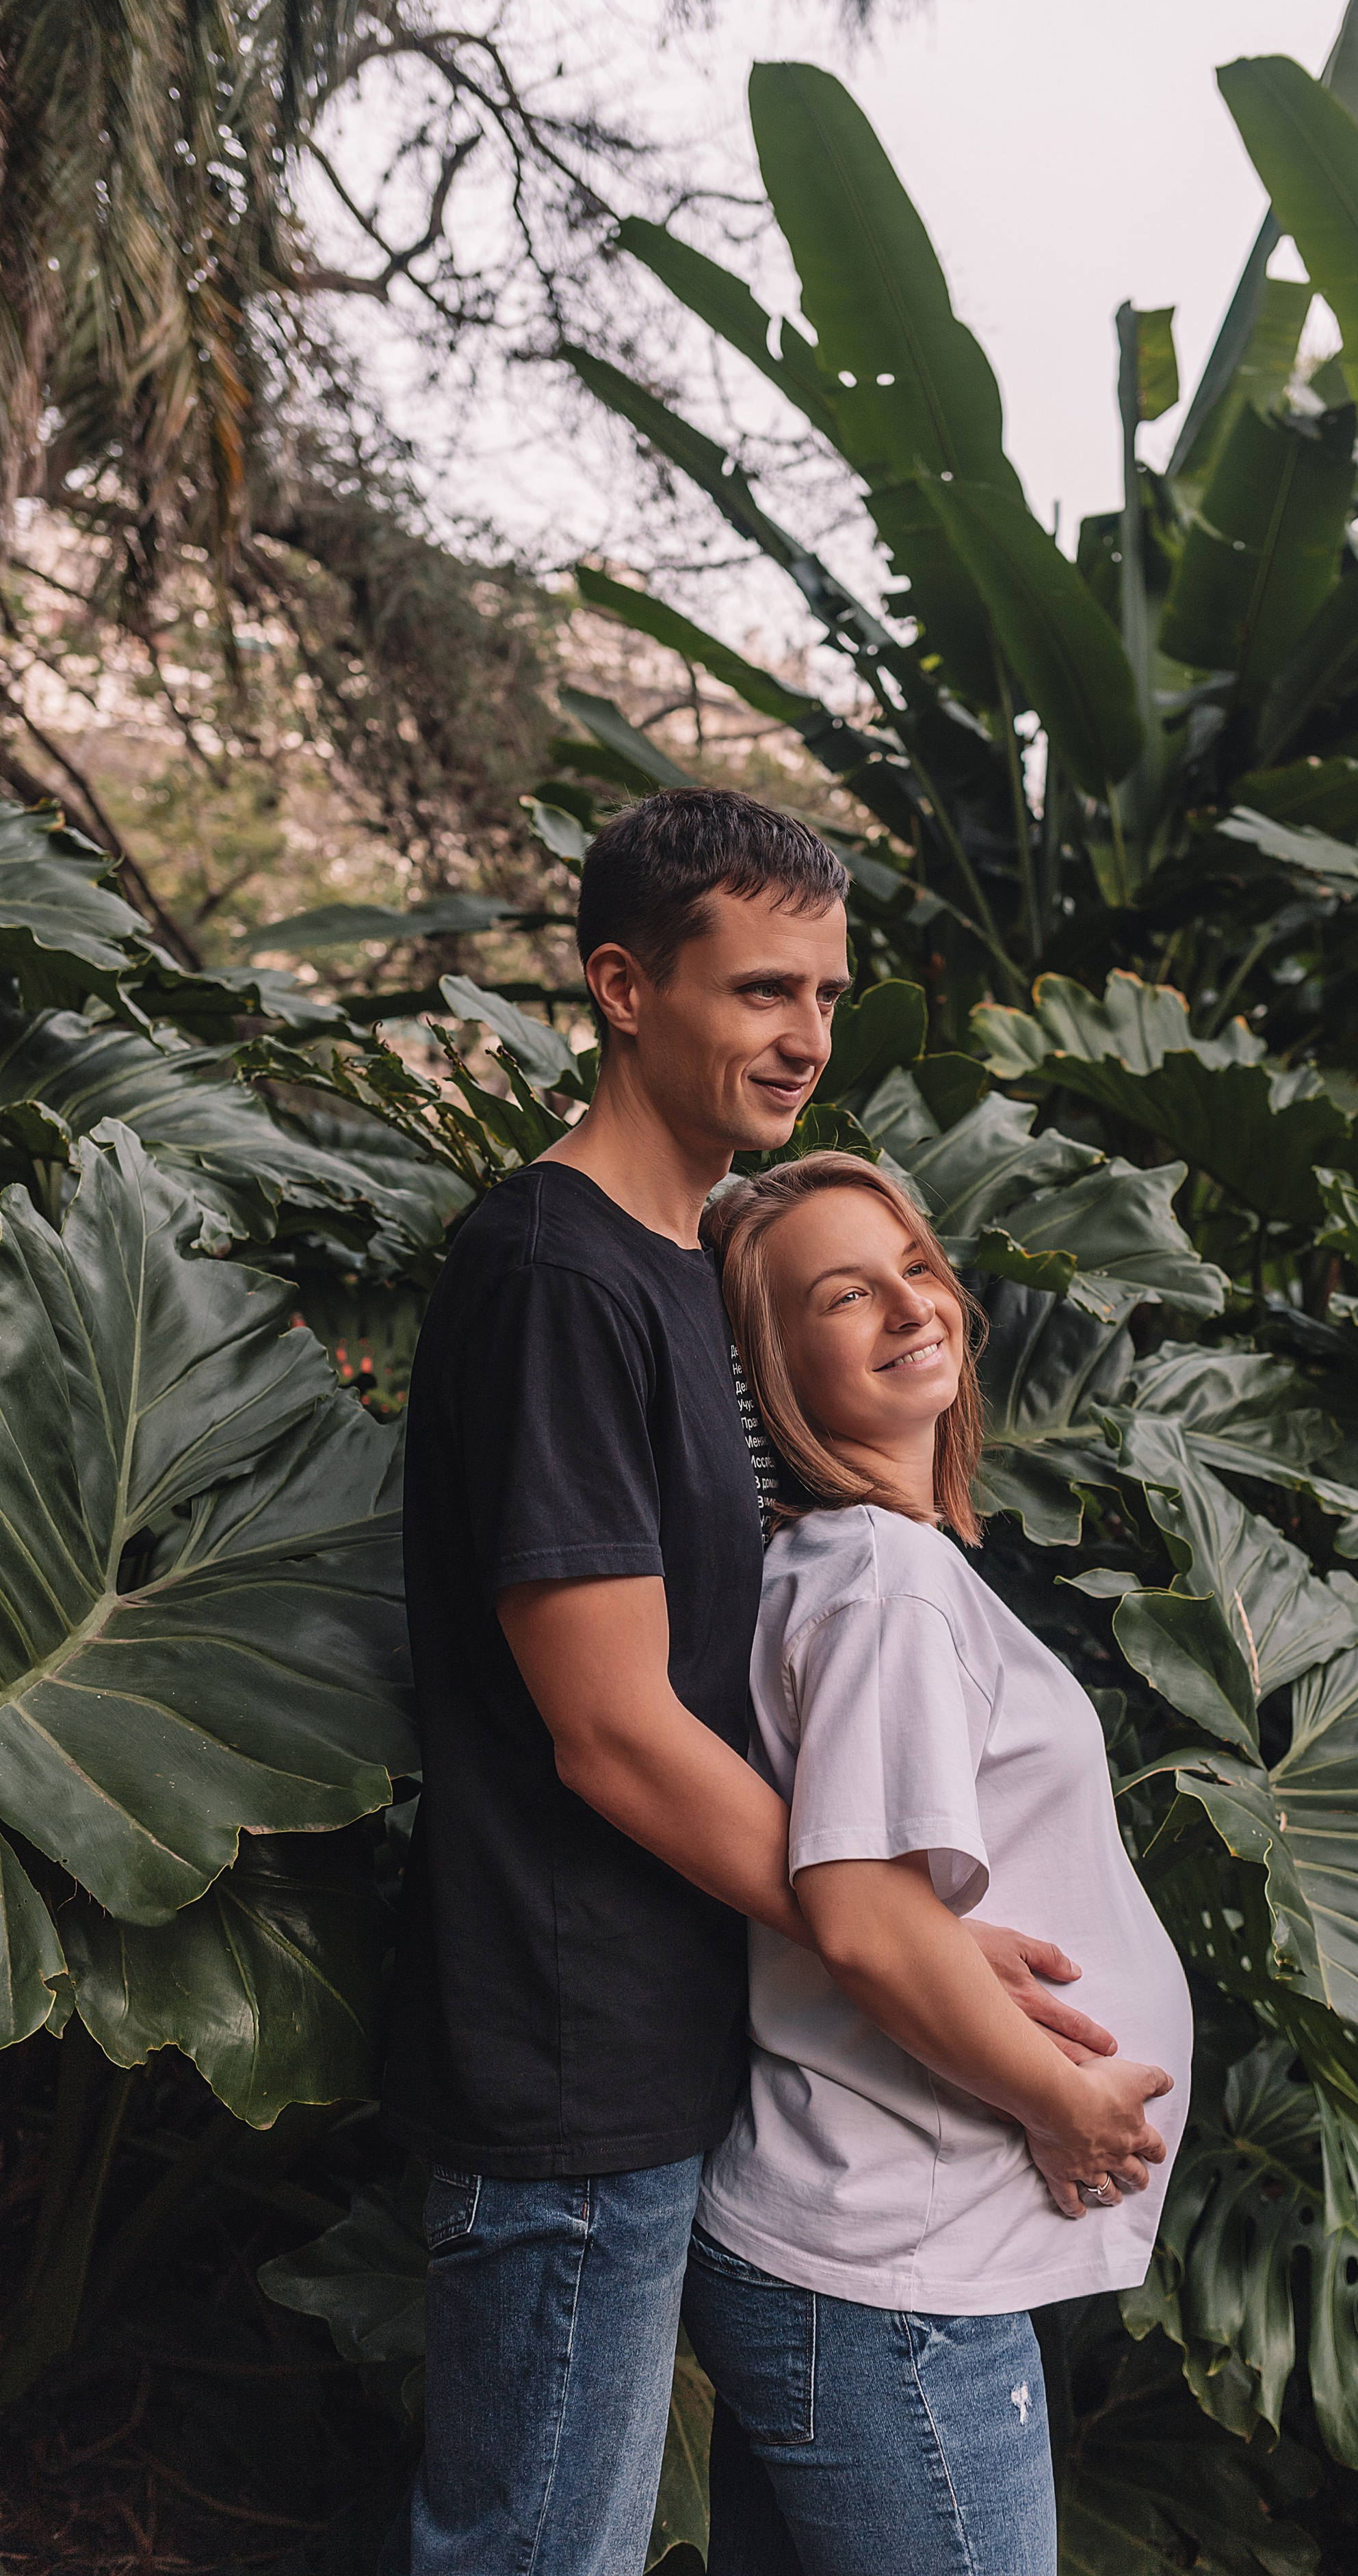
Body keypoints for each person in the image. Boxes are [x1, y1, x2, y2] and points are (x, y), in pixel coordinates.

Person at [378, 787, 1152, 2576]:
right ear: (625, 989)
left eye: (827, 993)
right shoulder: (560, 1270)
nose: (806, 1036)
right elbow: (614, 1730)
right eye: (759, 993)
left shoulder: (674, 1269)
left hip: (662, 2060)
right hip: (566, 2069)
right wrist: (900, 1939)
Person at [685, 1150, 1193, 2576]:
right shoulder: (882, 1583)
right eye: (843, 1295)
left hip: (864, 2258)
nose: (910, 1306)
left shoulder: (850, 1565)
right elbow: (860, 1920)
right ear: (772, 1371)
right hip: (891, 2275)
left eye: (914, 1266)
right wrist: (1062, 2102)